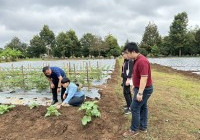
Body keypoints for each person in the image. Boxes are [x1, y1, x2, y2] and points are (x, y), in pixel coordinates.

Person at [123, 42, 153, 137]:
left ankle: (133, 130)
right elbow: (137, 75)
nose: (126, 55)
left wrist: (140, 93)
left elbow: (144, 78)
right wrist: (134, 85)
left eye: (127, 53)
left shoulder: (142, 61)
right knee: (143, 107)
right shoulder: (136, 60)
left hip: (145, 89)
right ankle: (143, 127)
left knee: (134, 107)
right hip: (139, 87)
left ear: (133, 51)